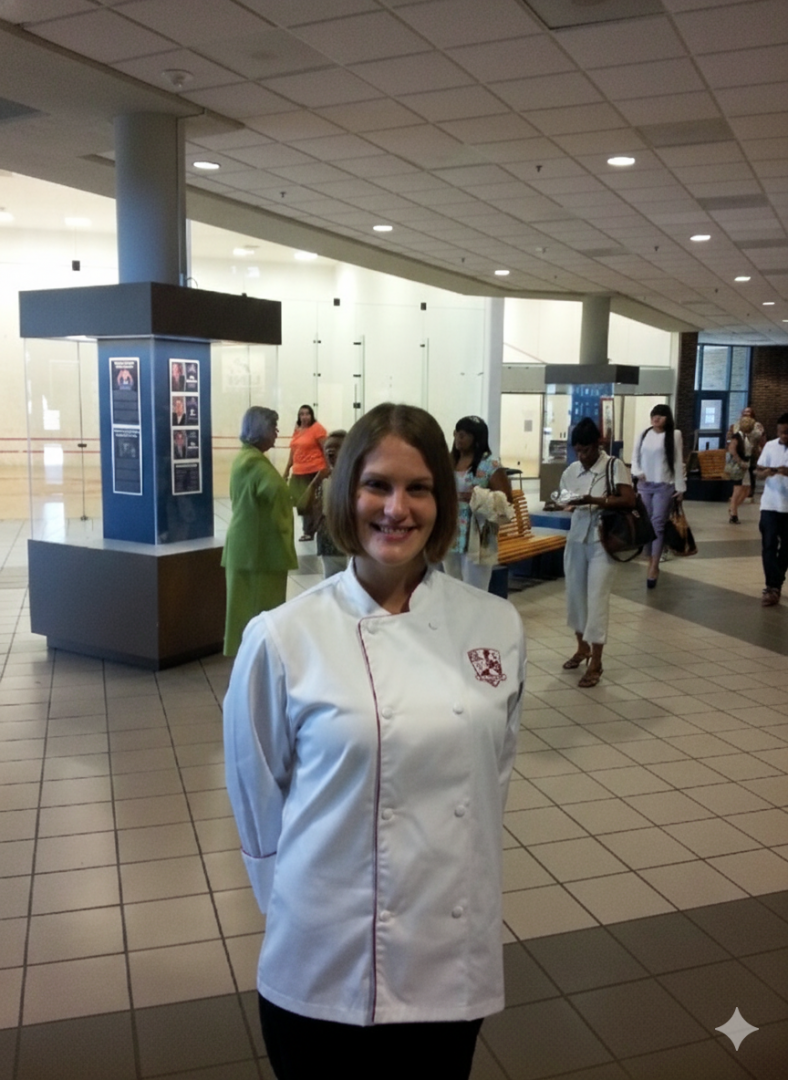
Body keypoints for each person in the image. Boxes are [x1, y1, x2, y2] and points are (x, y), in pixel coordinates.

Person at [223, 403, 525, 1080]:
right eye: (377, 485)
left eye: (419, 488)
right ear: (345, 493)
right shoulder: (283, 637)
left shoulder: (496, 626)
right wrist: (309, 907)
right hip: (324, 961)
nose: (397, 508)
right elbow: (258, 806)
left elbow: (490, 784)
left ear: (442, 502)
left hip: (448, 961)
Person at [559, 418, 635, 688]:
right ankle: (582, 647)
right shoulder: (571, 471)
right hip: (576, 539)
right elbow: (564, 498)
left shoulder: (613, 466)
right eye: (577, 451)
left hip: (603, 541)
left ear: (598, 444)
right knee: (575, 595)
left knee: (597, 598)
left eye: (587, 450)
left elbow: (629, 499)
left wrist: (594, 500)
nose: (582, 456)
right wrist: (562, 504)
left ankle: (597, 661)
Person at [221, 407, 298, 657]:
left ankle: (252, 657)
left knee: (246, 609)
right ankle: (256, 659)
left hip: (250, 548)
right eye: (273, 427)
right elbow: (279, 496)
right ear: (260, 429)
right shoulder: (254, 463)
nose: (277, 432)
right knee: (259, 613)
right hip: (258, 552)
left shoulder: (246, 458)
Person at [443, 415, 512, 591]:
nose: (458, 438)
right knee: (451, 588)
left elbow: (506, 501)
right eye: (456, 433)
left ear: (476, 438)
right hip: (450, 534)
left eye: (463, 435)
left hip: (477, 536)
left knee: (475, 590)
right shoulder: (448, 462)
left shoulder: (489, 465)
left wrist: (478, 497)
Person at [630, 404, 685, 588]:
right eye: (654, 415)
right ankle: (650, 559)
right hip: (645, 484)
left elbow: (678, 461)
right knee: (646, 523)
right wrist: (637, 472)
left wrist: (680, 487)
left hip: (664, 485)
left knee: (658, 524)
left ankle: (654, 566)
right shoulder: (643, 434)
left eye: (661, 416)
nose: (656, 418)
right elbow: (635, 457)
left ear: (667, 418)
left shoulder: (674, 435)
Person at [298, 429, 348, 578]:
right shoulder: (324, 479)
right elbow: (302, 507)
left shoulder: (359, 478)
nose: (330, 452)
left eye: (337, 447)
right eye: (328, 448)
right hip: (330, 541)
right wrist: (315, 482)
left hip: (352, 539)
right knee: (333, 579)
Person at [755, 413, 788, 607]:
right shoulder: (770, 446)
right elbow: (758, 472)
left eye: (787, 433)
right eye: (781, 432)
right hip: (770, 505)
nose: (783, 436)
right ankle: (771, 587)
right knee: (768, 545)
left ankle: (776, 583)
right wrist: (765, 472)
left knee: (786, 548)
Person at [283, 404, 327, 541]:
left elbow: (326, 449)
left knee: (312, 502)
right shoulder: (297, 430)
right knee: (301, 503)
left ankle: (311, 531)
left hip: (314, 470)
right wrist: (287, 470)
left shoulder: (317, 428)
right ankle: (309, 529)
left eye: (307, 414)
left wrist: (328, 468)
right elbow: (293, 451)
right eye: (301, 414)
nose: (304, 417)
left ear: (312, 415)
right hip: (298, 471)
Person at [728, 405, 765, 496]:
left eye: (748, 411)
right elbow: (731, 438)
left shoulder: (757, 426)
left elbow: (762, 438)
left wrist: (762, 450)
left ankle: (750, 491)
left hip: (752, 451)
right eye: (745, 411)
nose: (746, 413)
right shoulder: (736, 425)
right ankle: (735, 491)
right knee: (738, 473)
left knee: (751, 472)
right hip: (740, 451)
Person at [726, 430, 750, 523]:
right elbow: (732, 449)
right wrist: (739, 462)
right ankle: (733, 514)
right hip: (739, 467)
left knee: (746, 490)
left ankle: (732, 507)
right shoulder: (737, 436)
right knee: (737, 490)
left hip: (745, 465)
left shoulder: (746, 437)